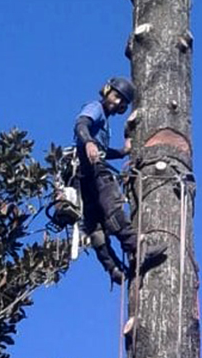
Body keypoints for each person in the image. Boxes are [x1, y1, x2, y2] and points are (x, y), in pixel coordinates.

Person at [71, 77, 163, 285]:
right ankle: (137, 248)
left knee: (95, 225)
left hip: (82, 177)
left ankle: (114, 270)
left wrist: (122, 152)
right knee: (112, 206)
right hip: (92, 170)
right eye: (116, 97)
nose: (118, 103)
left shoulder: (105, 124)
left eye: (123, 102)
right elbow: (81, 125)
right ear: (106, 91)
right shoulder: (95, 108)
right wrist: (88, 143)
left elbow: (101, 150)